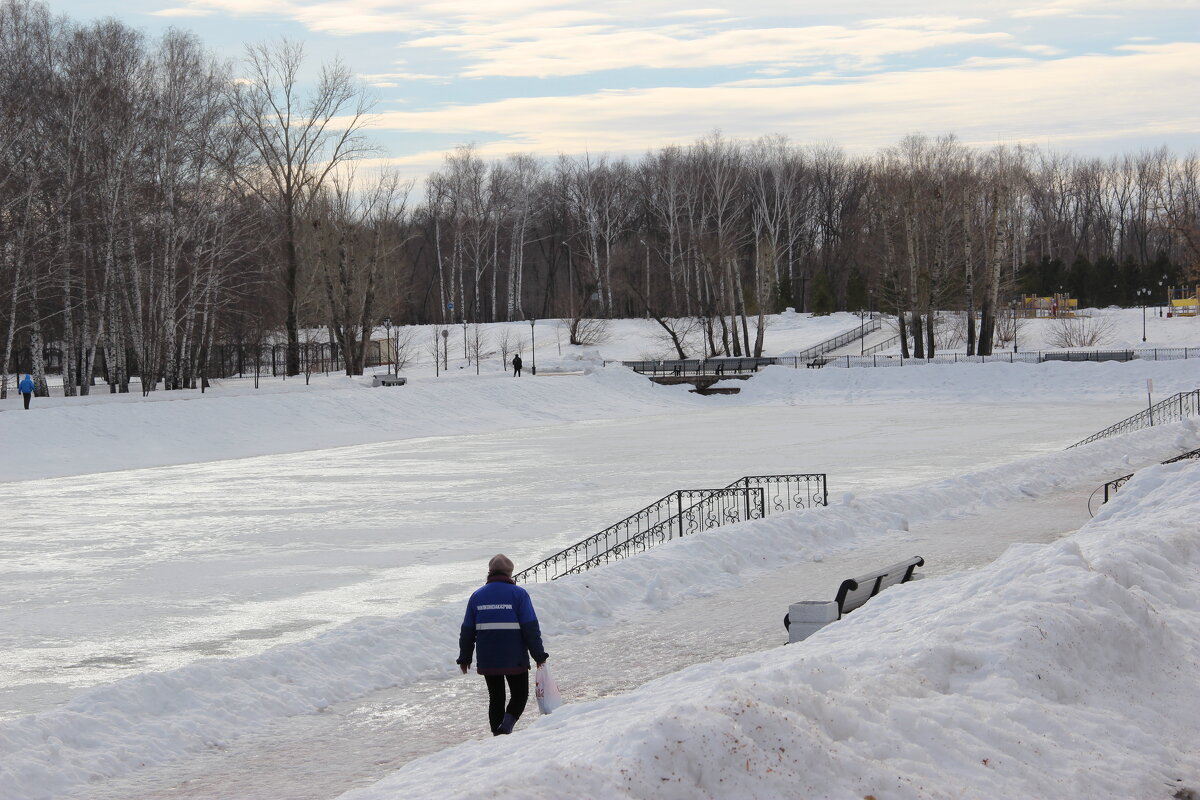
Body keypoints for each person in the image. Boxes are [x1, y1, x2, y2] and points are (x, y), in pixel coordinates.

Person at [457, 554, 548, 736]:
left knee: (496, 697)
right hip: (514, 657)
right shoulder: (519, 594)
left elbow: (467, 630)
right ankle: (505, 727)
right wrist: (538, 655)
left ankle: (497, 736)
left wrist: (465, 657)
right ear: (509, 573)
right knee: (519, 695)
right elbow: (530, 628)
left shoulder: (477, 596)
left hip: (488, 657)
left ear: (489, 572)